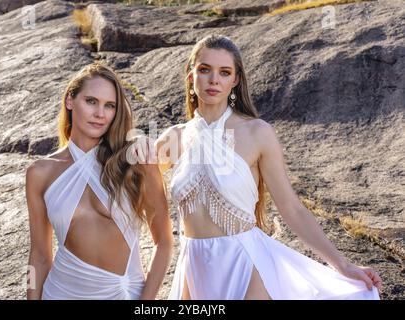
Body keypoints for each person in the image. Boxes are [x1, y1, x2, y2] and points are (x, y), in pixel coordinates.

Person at [134, 35, 382, 300]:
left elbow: (292, 209)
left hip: (246, 263)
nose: (214, 80)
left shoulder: (257, 133)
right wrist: (138, 141)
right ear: (191, 75)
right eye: (205, 70)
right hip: (194, 267)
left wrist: (343, 265)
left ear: (235, 80)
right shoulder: (175, 138)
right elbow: (129, 187)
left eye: (224, 72)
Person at [25, 61, 173, 300]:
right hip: (60, 293)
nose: (100, 114)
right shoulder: (40, 172)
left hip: (123, 294)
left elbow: (164, 243)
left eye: (109, 106)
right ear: (70, 101)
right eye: (91, 101)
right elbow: (39, 255)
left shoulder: (135, 162)